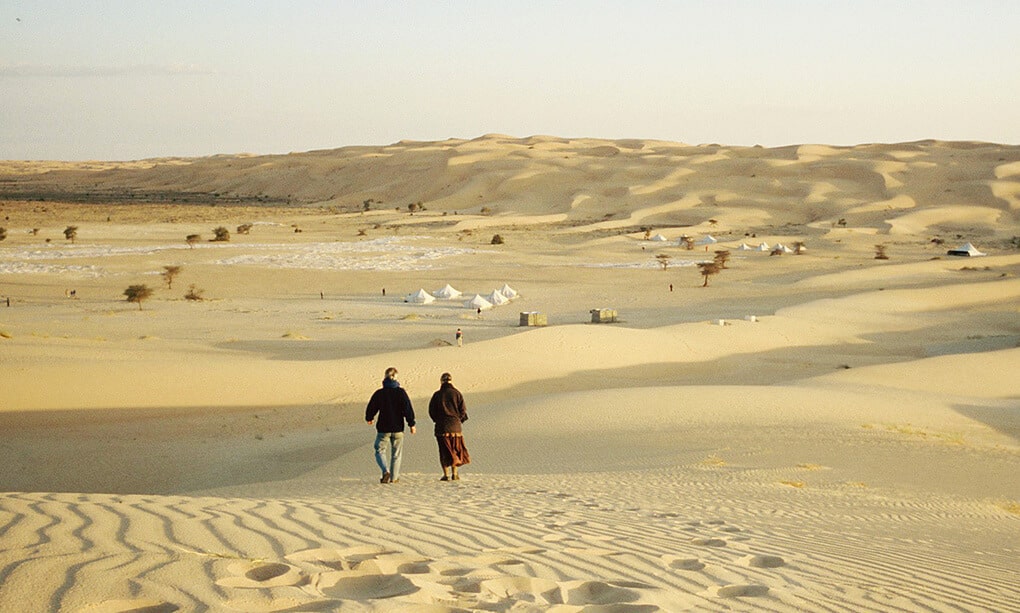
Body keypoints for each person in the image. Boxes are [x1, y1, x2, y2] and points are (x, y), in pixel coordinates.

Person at [365, 367, 416, 483]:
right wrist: (411, 424)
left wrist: (369, 418)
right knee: (396, 453)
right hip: (398, 428)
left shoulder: (380, 393)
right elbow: (407, 409)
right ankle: (394, 478)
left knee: (379, 449)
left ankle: (385, 471)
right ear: (396, 378)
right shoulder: (401, 393)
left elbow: (371, 407)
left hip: (383, 428)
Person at [428, 372, 470, 481]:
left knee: (444, 450)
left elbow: (431, 411)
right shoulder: (457, 393)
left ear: (441, 381)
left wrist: (437, 420)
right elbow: (463, 410)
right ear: (451, 381)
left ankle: (446, 475)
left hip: (441, 427)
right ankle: (455, 474)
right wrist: (458, 420)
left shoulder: (437, 395)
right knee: (455, 449)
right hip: (456, 427)